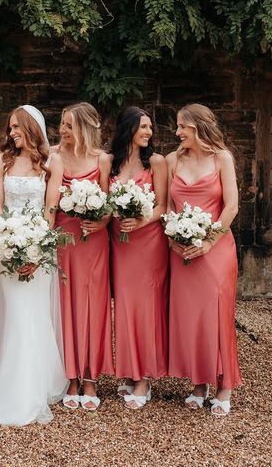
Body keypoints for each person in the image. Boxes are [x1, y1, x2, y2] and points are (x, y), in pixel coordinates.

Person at [0, 105, 68, 425]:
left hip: (39, 249)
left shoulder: (51, 163)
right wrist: (8, 243)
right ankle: (10, 388)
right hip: (6, 247)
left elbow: (50, 211)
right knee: (14, 314)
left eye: (17, 127)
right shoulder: (0, 161)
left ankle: (36, 384)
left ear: (32, 127)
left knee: (35, 314)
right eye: (10, 127)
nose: (11, 132)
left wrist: (35, 251)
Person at [166, 103, 242, 416]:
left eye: (182, 126)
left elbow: (232, 206)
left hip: (216, 250)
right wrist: (174, 236)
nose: (177, 132)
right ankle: (199, 383)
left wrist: (209, 241)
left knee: (218, 314)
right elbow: (167, 205)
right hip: (181, 250)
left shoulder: (222, 158)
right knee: (192, 316)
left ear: (198, 127)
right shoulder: (172, 160)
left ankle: (224, 384)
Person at [53, 102, 114, 410]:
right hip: (63, 239)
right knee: (65, 305)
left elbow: (108, 205)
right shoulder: (52, 156)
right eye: (62, 124)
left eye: (68, 125)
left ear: (84, 128)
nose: (62, 130)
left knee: (92, 305)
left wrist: (101, 220)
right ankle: (70, 377)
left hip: (92, 240)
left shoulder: (102, 160)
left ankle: (90, 377)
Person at [109, 107, 168, 410]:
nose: (148, 132)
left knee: (145, 307)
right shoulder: (113, 162)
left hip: (148, 243)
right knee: (126, 305)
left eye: (150, 128)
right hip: (121, 245)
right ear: (128, 128)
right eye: (143, 127)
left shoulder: (156, 162)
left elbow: (163, 205)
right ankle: (130, 371)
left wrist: (141, 221)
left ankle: (144, 378)